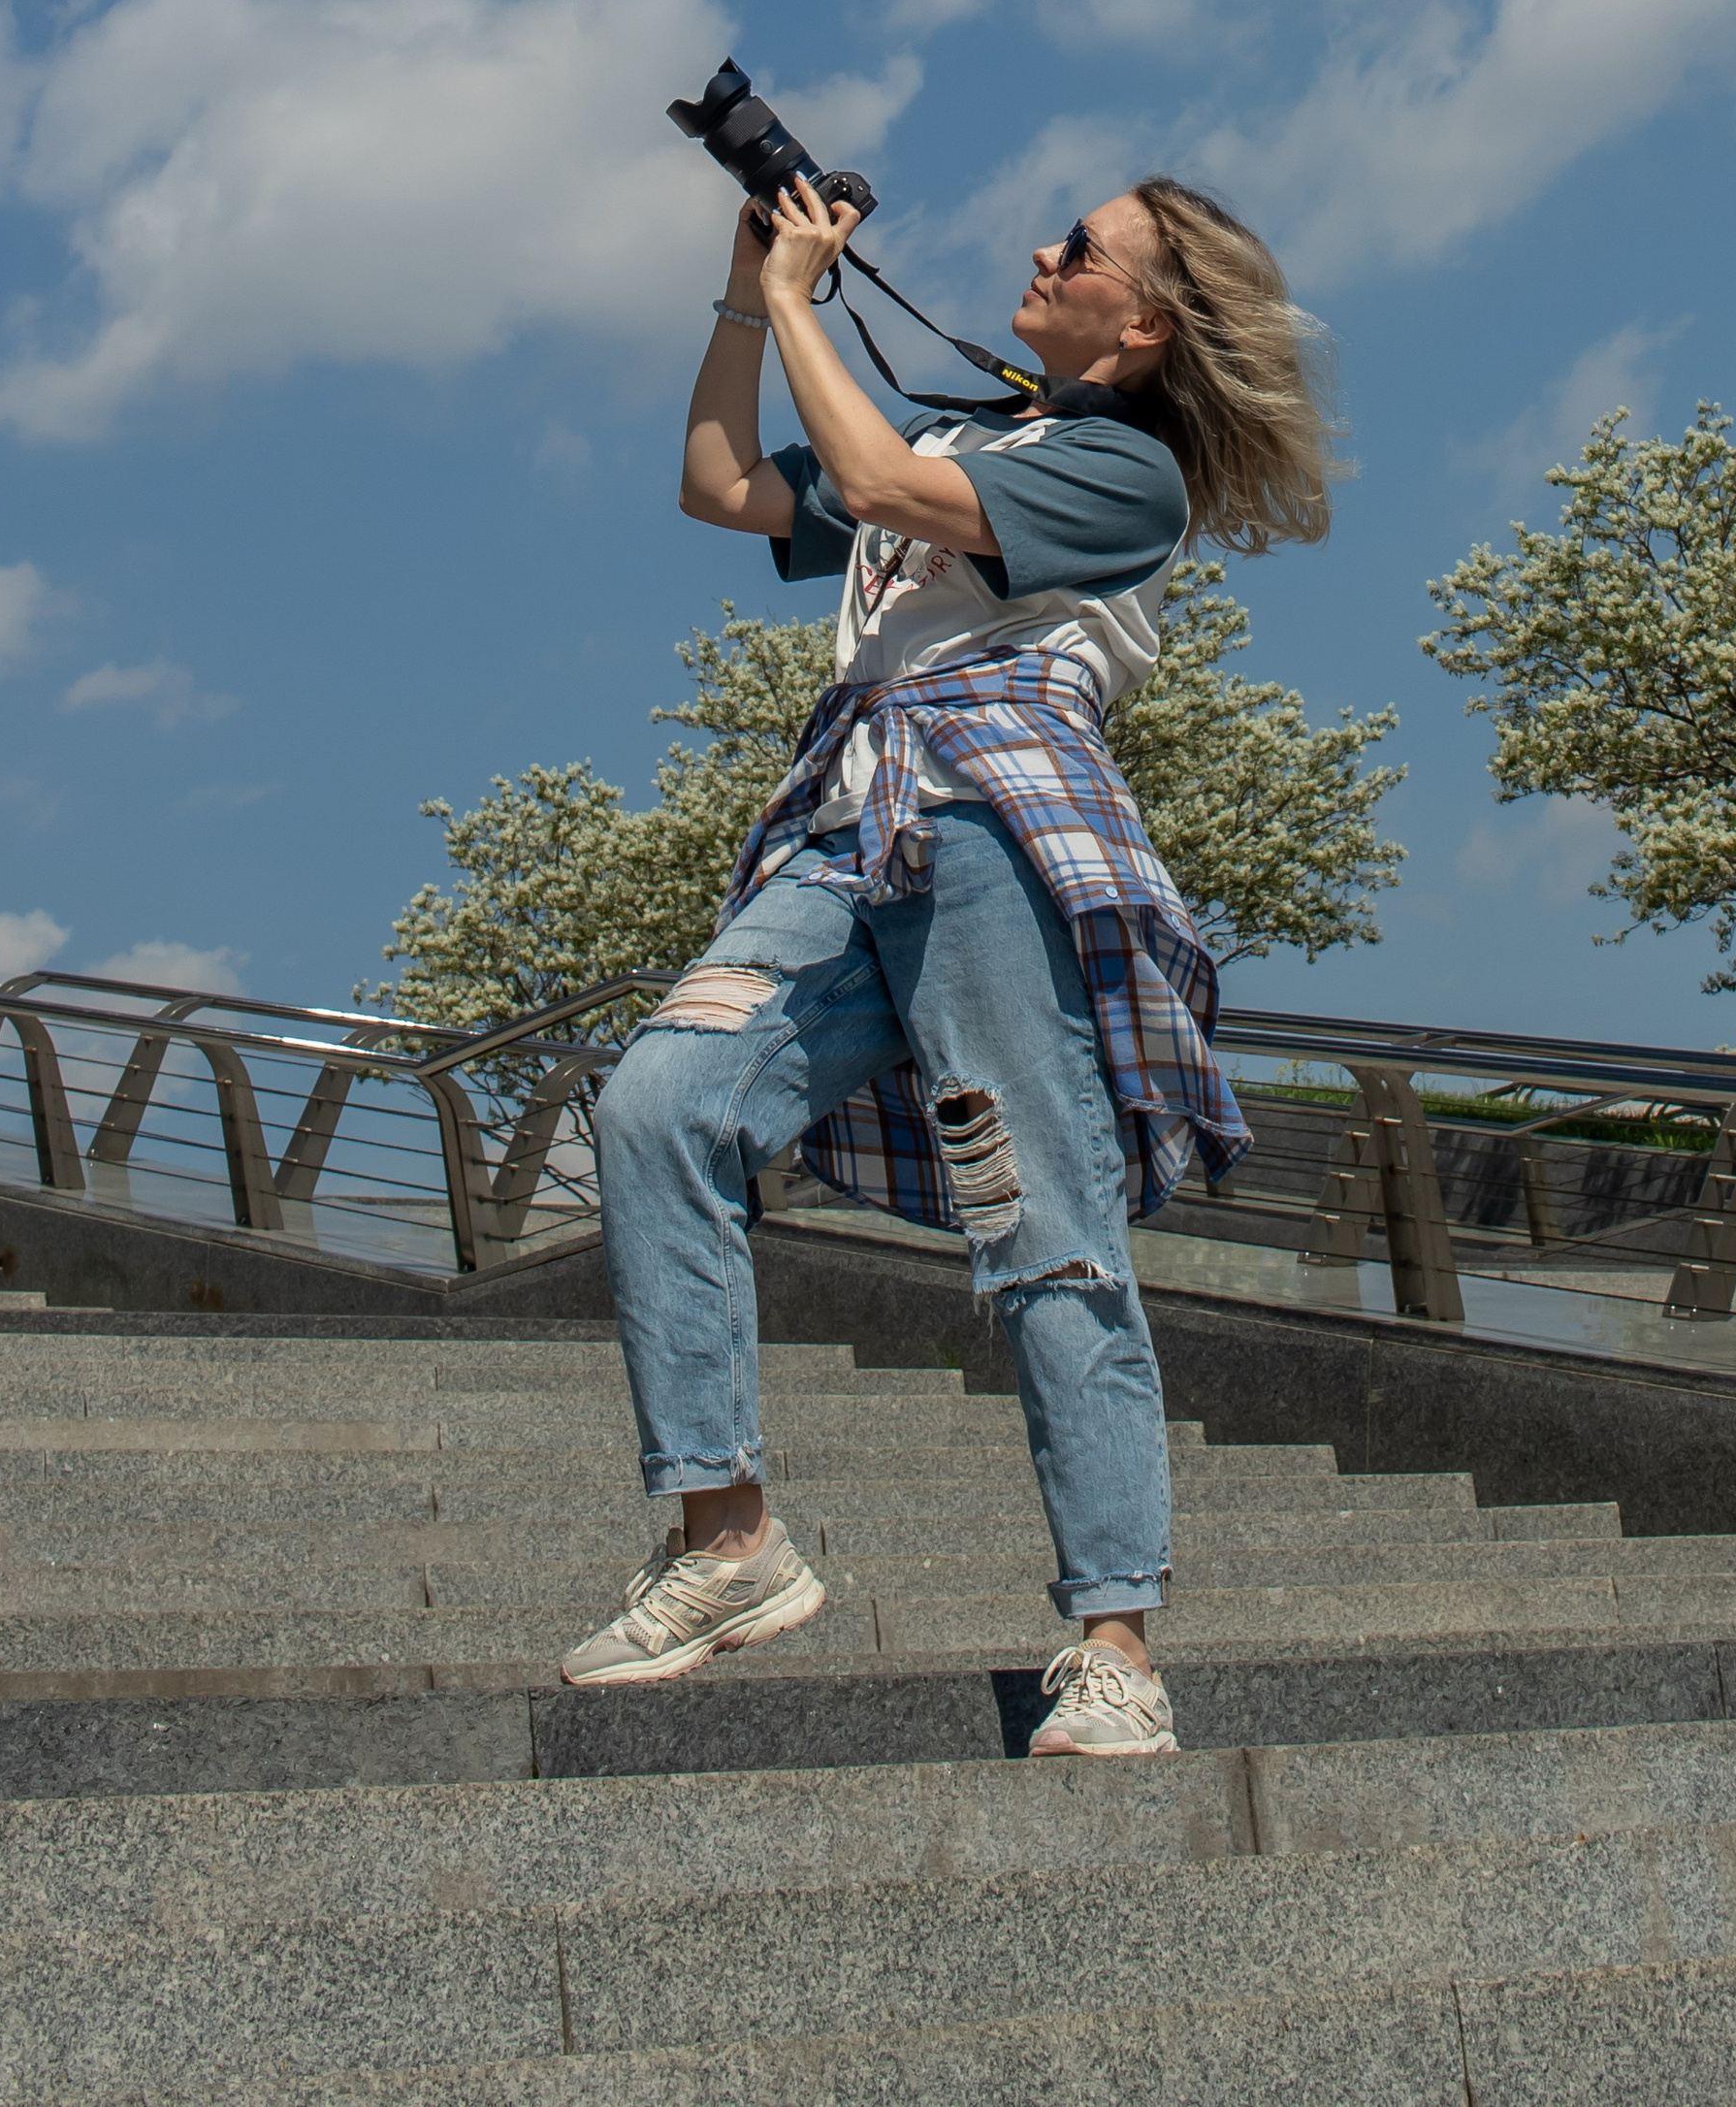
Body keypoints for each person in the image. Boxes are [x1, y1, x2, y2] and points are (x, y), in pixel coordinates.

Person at [562, 167, 1335, 1753]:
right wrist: (742, 295)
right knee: (654, 1105)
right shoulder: (958, 433)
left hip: (994, 814)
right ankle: (727, 1537)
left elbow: (880, 487)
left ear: (1145, 324)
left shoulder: (1128, 472)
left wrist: (800, 297)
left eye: (1082, 246)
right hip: (845, 824)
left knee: (1040, 1218)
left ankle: (1115, 1644)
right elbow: (720, 483)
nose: (1044, 249)